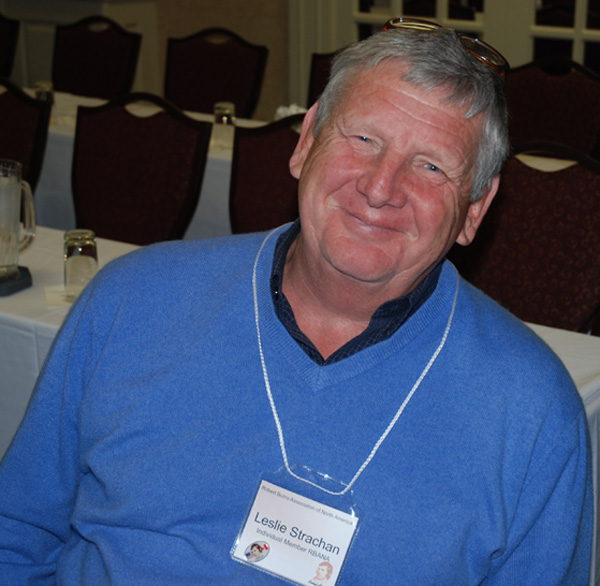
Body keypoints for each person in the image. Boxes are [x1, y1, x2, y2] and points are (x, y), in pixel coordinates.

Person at [0, 18, 592, 585]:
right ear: (306, 141)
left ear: (474, 209)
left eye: (432, 165)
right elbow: (15, 536)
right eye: (363, 138)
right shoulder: (130, 303)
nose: (380, 188)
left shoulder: (532, 412)